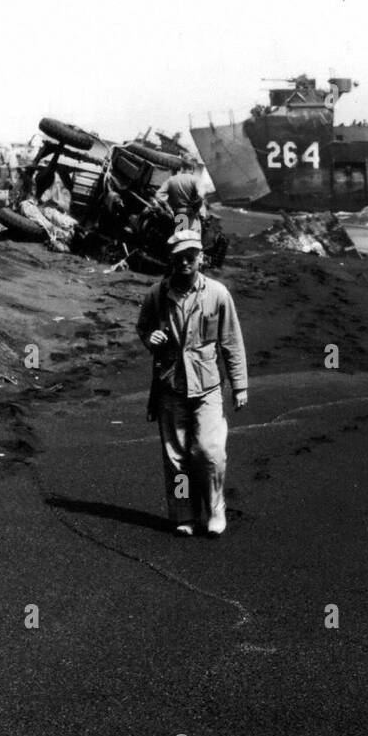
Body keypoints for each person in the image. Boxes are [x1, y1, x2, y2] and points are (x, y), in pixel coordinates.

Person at [137, 229, 247, 537]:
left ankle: (215, 508)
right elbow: (143, 327)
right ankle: (183, 513)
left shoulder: (218, 293)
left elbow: (231, 342)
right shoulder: (156, 295)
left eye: (191, 256)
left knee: (209, 451)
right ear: (171, 260)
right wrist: (151, 338)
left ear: (201, 258)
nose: (185, 262)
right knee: (175, 457)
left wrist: (240, 386)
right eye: (179, 257)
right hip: (170, 385)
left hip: (208, 386)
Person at [157, 161, 204, 232]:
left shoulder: (172, 179)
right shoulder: (195, 180)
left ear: (182, 168)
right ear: (192, 169)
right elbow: (200, 197)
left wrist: (167, 206)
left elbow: (158, 195)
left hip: (174, 213)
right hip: (186, 216)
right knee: (183, 237)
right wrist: (194, 210)